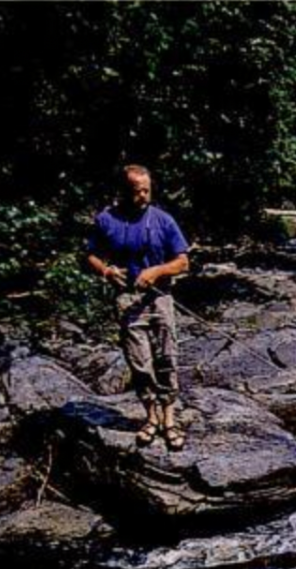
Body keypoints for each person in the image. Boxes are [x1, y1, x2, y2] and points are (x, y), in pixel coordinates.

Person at [86, 165, 191, 450]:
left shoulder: (163, 220)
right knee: (140, 363)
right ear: (123, 191)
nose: (143, 196)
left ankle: (169, 419)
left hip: (160, 298)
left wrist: (156, 271)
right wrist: (106, 272)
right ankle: (151, 418)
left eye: (147, 190)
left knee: (167, 357)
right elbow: (91, 255)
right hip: (127, 301)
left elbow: (183, 262)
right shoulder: (106, 220)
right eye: (136, 192)